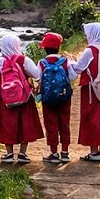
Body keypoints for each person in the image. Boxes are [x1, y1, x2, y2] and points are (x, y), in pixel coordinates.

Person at [0, 34, 44, 163]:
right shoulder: (24, 60)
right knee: (25, 123)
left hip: (5, 98)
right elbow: (37, 76)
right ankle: (22, 154)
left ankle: (9, 154)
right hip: (24, 97)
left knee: (7, 123)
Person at [73, 21, 100, 161]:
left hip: (91, 90)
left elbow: (78, 68)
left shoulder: (90, 50)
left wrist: (70, 61)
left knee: (92, 118)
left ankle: (94, 152)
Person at [36, 32, 76, 164]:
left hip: (48, 99)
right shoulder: (65, 61)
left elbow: (38, 78)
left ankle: (53, 153)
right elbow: (72, 77)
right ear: (59, 47)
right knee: (64, 123)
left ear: (45, 48)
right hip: (64, 97)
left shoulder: (42, 63)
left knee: (51, 124)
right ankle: (65, 153)